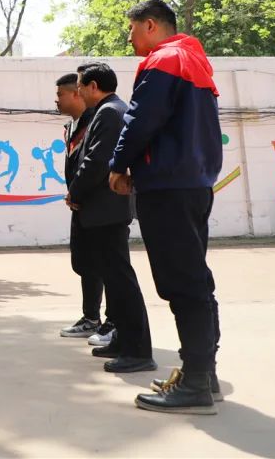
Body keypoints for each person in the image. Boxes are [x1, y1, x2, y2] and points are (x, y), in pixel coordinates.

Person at [108, 0, 224, 414]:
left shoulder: (164, 60)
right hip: (194, 183)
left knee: (182, 283)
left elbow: (141, 118)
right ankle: (202, 373)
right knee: (195, 277)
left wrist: (119, 164)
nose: (130, 38)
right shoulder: (195, 59)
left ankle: (194, 383)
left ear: (152, 25)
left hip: (168, 186)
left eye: (133, 29)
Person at [68, 63, 155, 374]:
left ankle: (139, 350)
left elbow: (95, 162)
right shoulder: (108, 111)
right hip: (103, 211)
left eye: (79, 86)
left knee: (121, 280)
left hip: (106, 210)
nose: (76, 92)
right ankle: (122, 340)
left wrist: (75, 193)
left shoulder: (109, 112)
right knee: (115, 280)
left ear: (93, 86)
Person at [55, 74, 108, 340]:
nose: (56, 99)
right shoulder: (71, 126)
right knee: (84, 262)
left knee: (106, 264)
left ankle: (112, 321)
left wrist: (77, 191)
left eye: (60, 94)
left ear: (77, 94)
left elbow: (95, 162)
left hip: (97, 203)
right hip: (80, 203)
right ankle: (91, 317)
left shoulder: (98, 119)